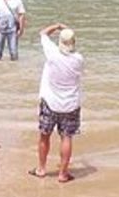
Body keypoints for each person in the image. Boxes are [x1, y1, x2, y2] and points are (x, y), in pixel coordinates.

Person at [30, 23, 85, 183]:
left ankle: (41, 169)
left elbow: (42, 33)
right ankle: (62, 174)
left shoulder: (52, 54)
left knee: (44, 136)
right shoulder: (78, 59)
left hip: (50, 101)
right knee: (66, 137)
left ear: (60, 42)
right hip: (70, 104)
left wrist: (58, 25)